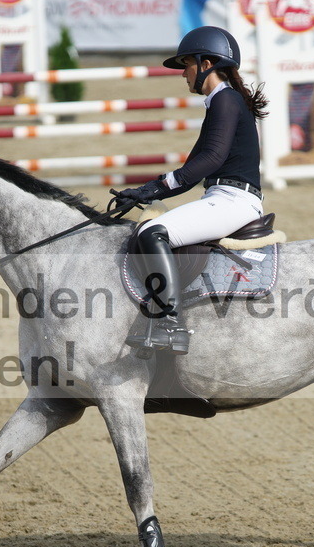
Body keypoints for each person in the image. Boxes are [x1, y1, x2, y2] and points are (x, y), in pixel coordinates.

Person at [115, 26, 268, 356]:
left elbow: (211, 159)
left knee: (152, 232)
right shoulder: (220, 102)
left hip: (234, 200)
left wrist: (153, 188)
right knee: (152, 226)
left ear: (208, 63)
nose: (183, 73)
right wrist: (145, 192)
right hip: (222, 197)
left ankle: (171, 326)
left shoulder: (226, 98)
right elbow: (190, 171)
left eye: (187, 65)